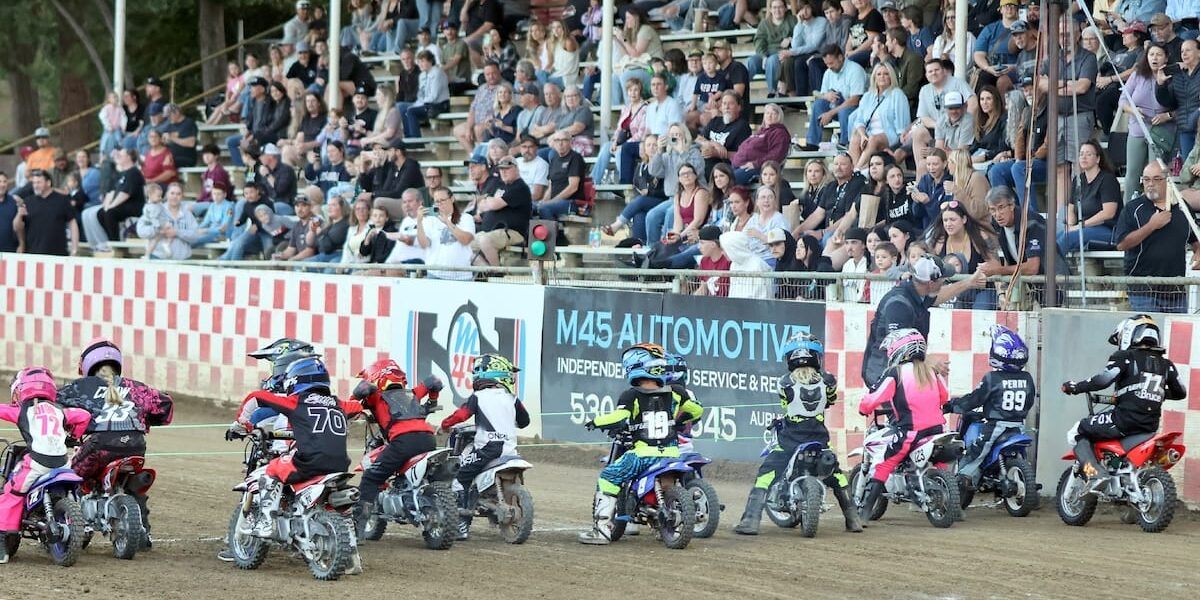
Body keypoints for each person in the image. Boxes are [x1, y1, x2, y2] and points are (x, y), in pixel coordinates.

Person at [733, 333, 862, 535]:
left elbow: (785, 405)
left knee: (765, 475)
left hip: (790, 440)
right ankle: (853, 519)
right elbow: (830, 400)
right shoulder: (828, 381)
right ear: (816, 356)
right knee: (837, 476)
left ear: (790, 357)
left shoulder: (785, 383)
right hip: (819, 438)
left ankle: (750, 520)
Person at [577, 344, 703, 545]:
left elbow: (620, 417)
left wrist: (596, 421)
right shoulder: (677, 392)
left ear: (634, 366)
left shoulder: (631, 395)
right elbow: (696, 411)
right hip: (671, 453)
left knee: (608, 477)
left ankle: (601, 530)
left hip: (642, 454)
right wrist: (679, 421)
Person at [227, 354, 361, 538]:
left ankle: (266, 522)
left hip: (308, 462)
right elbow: (357, 408)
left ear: (295, 379)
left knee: (271, 470)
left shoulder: (297, 401)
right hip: (340, 465)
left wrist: (242, 423)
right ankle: (347, 528)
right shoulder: (339, 404)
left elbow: (256, 397)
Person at [58, 339, 174, 545]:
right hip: (136, 446)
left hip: (99, 447)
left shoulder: (80, 388)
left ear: (86, 364)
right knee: (131, 483)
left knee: (65, 479)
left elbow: (56, 409)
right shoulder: (137, 388)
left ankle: (73, 528)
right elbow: (165, 407)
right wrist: (145, 419)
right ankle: (142, 534)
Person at [1061, 315, 1186, 492]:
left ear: (1128, 334)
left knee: (1077, 431)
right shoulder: (1166, 364)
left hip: (1123, 421)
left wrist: (1076, 387)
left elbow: (1103, 380)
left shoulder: (1124, 356)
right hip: (1149, 425)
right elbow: (1181, 392)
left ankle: (1094, 474)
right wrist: (1153, 393)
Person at [0, 367, 92, 564]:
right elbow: (84, 416)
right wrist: (72, 437)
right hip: (62, 463)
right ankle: (81, 525)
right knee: (76, 491)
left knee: (11, 492)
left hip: (37, 463)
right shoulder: (60, 410)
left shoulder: (21, 410)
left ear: (21, 389)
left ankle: (2, 542)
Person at [856, 328, 949, 519]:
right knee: (940, 462)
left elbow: (873, 397)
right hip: (937, 430)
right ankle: (953, 503)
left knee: (883, 464)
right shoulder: (932, 371)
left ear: (899, 349)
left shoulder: (895, 372)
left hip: (910, 433)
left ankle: (863, 514)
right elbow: (944, 397)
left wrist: (863, 409)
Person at [439, 354, 530, 540]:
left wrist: (444, 425)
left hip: (487, 449)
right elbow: (524, 421)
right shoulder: (512, 398)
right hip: (510, 450)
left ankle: (461, 525)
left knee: (460, 477)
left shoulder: (478, 396)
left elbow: (461, 415)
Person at [349, 359, 443, 536]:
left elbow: (362, 390)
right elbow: (434, 381)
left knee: (370, 478)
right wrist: (431, 401)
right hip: (428, 438)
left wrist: (353, 400)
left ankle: (358, 528)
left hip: (402, 442)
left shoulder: (376, 396)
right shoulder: (412, 394)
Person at [862, 255, 984, 387]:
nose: (944, 281)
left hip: (897, 373)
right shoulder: (898, 304)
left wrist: (969, 282)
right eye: (942, 279)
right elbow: (900, 347)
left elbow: (938, 297)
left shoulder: (915, 292)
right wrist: (929, 360)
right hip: (884, 375)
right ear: (931, 283)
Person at [946, 326, 1033, 486]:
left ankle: (962, 480)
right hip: (1018, 425)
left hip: (996, 426)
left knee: (976, 452)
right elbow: (1030, 401)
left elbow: (975, 399)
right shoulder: (1027, 378)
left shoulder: (993, 377)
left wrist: (952, 406)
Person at [1113, 161, 1200, 313]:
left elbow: (1195, 239)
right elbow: (1121, 244)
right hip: (1143, 290)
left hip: (1176, 291)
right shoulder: (1133, 208)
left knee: (1176, 337)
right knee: (1150, 334)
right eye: (1146, 179)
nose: (1150, 184)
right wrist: (1151, 226)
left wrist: (1198, 252)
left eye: (1156, 179)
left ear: (1167, 181)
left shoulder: (1182, 208)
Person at [1120, 43, 1172, 206]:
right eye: (1151, 54)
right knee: (1132, 174)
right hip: (1137, 129)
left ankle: (1157, 207)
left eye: (1158, 54)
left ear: (1166, 57)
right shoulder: (1138, 75)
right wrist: (1133, 110)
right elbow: (1123, 100)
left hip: (1160, 132)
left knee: (1155, 174)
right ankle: (1128, 210)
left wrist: (1167, 116)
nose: (1155, 58)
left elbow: (1181, 106)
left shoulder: (1172, 76)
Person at [1059, 140, 1121, 253]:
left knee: (1067, 238)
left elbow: (1108, 213)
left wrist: (1081, 225)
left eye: (1088, 154)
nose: (1084, 157)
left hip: (1107, 229)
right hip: (1084, 228)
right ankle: (1051, 269)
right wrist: (1070, 225)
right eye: (1081, 154)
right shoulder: (1078, 180)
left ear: (1098, 159)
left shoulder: (1107, 179)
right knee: (1054, 238)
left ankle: (1053, 270)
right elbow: (1071, 209)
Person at [847, 62, 911, 170]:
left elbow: (902, 126)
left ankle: (857, 171)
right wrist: (863, 135)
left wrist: (899, 145)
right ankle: (855, 168)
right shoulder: (868, 96)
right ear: (874, 77)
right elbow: (859, 120)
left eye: (886, 74)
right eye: (879, 74)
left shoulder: (897, 94)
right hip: (869, 134)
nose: (882, 77)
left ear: (891, 77)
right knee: (855, 137)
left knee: (874, 139)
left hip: (890, 136)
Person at [805, 44, 868, 149]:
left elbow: (855, 100)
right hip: (836, 106)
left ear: (840, 57)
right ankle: (812, 143)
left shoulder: (855, 70)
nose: (829, 67)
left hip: (856, 108)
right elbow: (822, 94)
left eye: (831, 63)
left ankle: (845, 143)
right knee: (818, 104)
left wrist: (830, 113)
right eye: (826, 64)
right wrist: (826, 96)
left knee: (844, 111)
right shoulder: (828, 73)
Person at [472, 157, 532, 267]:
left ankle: (497, 272)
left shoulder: (519, 187)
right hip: (492, 231)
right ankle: (486, 270)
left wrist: (489, 202)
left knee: (484, 240)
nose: (503, 172)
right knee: (465, 244)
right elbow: (481, 204)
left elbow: (493, 205)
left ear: (516, 169)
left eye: (507, 169)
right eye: (501, 169)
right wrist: (487, 204)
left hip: (513, 232)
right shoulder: (500, 186)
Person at [12, 169, 79, 257]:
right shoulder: (27, 202)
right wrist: (19, 215)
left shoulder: (62, 200)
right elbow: (17, 227)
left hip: (58, 255)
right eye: (34, 183)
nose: (35, 186)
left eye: (39, 182)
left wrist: (74, 249)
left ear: (48, 183)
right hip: (32, 255)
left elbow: (72, 223)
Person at [1154, 38, 1200, 162]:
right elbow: (1168, 102)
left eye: (1188, 50)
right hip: (1185, 129)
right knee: (1188, 171)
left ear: (1199, 53)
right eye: (1182, 51)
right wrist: (1160, 84)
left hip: (1198, 128)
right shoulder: (1178, 75)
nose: (1184, 54)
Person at [746, 0, 799, 96]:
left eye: (780, 7)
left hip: (783, 55)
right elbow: (759, 41)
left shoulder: (792, 20)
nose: (777, 10)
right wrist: (763, 56)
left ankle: (772, 93)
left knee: (772, 60)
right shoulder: (764, 24)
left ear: (785, 8)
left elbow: (800, 36)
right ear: (770, 9)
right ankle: (743, 93)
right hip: (766, 54)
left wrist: (791, 39)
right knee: (751, 61)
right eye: (774, 7)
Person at [731, 103, 791, 185]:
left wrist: (755, 164)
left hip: (760, 168)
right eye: (767, 113)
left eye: (773, 113)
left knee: (731, 180)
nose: (769, 116)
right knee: (720, 175)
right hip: (738, 165)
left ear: (779, 116)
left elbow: (775, 156)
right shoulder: (760, 132)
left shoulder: (779, 133)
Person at [694, 225, 732, 297]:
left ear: (713, 244)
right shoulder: (704, 261)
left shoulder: (728, 260)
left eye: (702, 243)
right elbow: (703, 287)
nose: (699, 247)